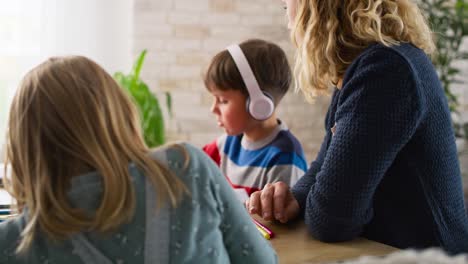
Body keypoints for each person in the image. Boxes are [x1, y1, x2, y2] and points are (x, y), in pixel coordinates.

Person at [0, 56, 278, 263]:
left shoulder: (14, 242)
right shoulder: (185, 167)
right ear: (118, 112)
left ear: (24, 148)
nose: (214, 109)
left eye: (223, 100)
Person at [246, 0, 468, 254]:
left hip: (428, 259)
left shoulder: (385, 71)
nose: (288, 19)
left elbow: (331, 220)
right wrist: (293, 199)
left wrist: (324, 199)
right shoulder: (366, 65)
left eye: (289, 6)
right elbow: (324, 166)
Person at [203, 39, 308, 197]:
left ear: (258, 104)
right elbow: (192, 163)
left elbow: (277, 219)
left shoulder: (285, 159)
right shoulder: (226, 145)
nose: (213, 109)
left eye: (223, 100)